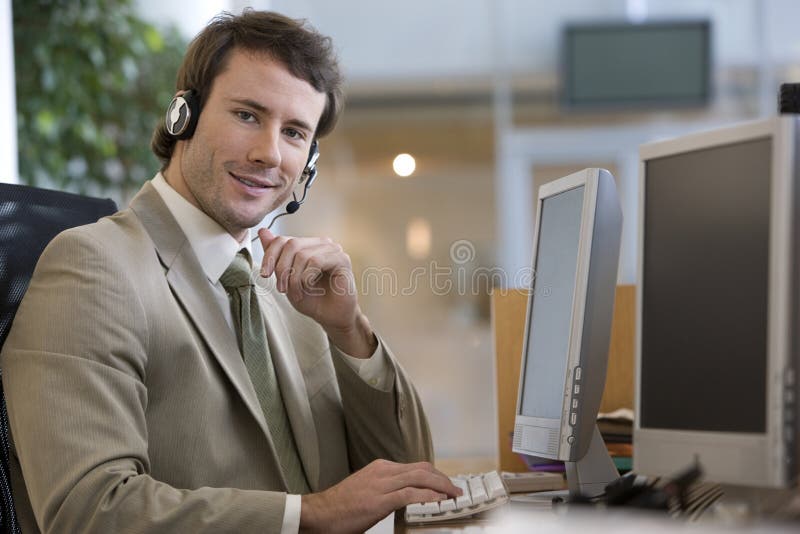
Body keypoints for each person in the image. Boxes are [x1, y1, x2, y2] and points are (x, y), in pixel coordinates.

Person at [0, 10, 459, 534]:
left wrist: (349, 329)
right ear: (183, 117)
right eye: (247, 115)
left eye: (293, 132)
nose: (269, 153)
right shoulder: (92, 267)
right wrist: (315, 515)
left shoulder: (288, 287)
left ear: (307, 162)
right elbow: (88, 509)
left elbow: (414, 482)